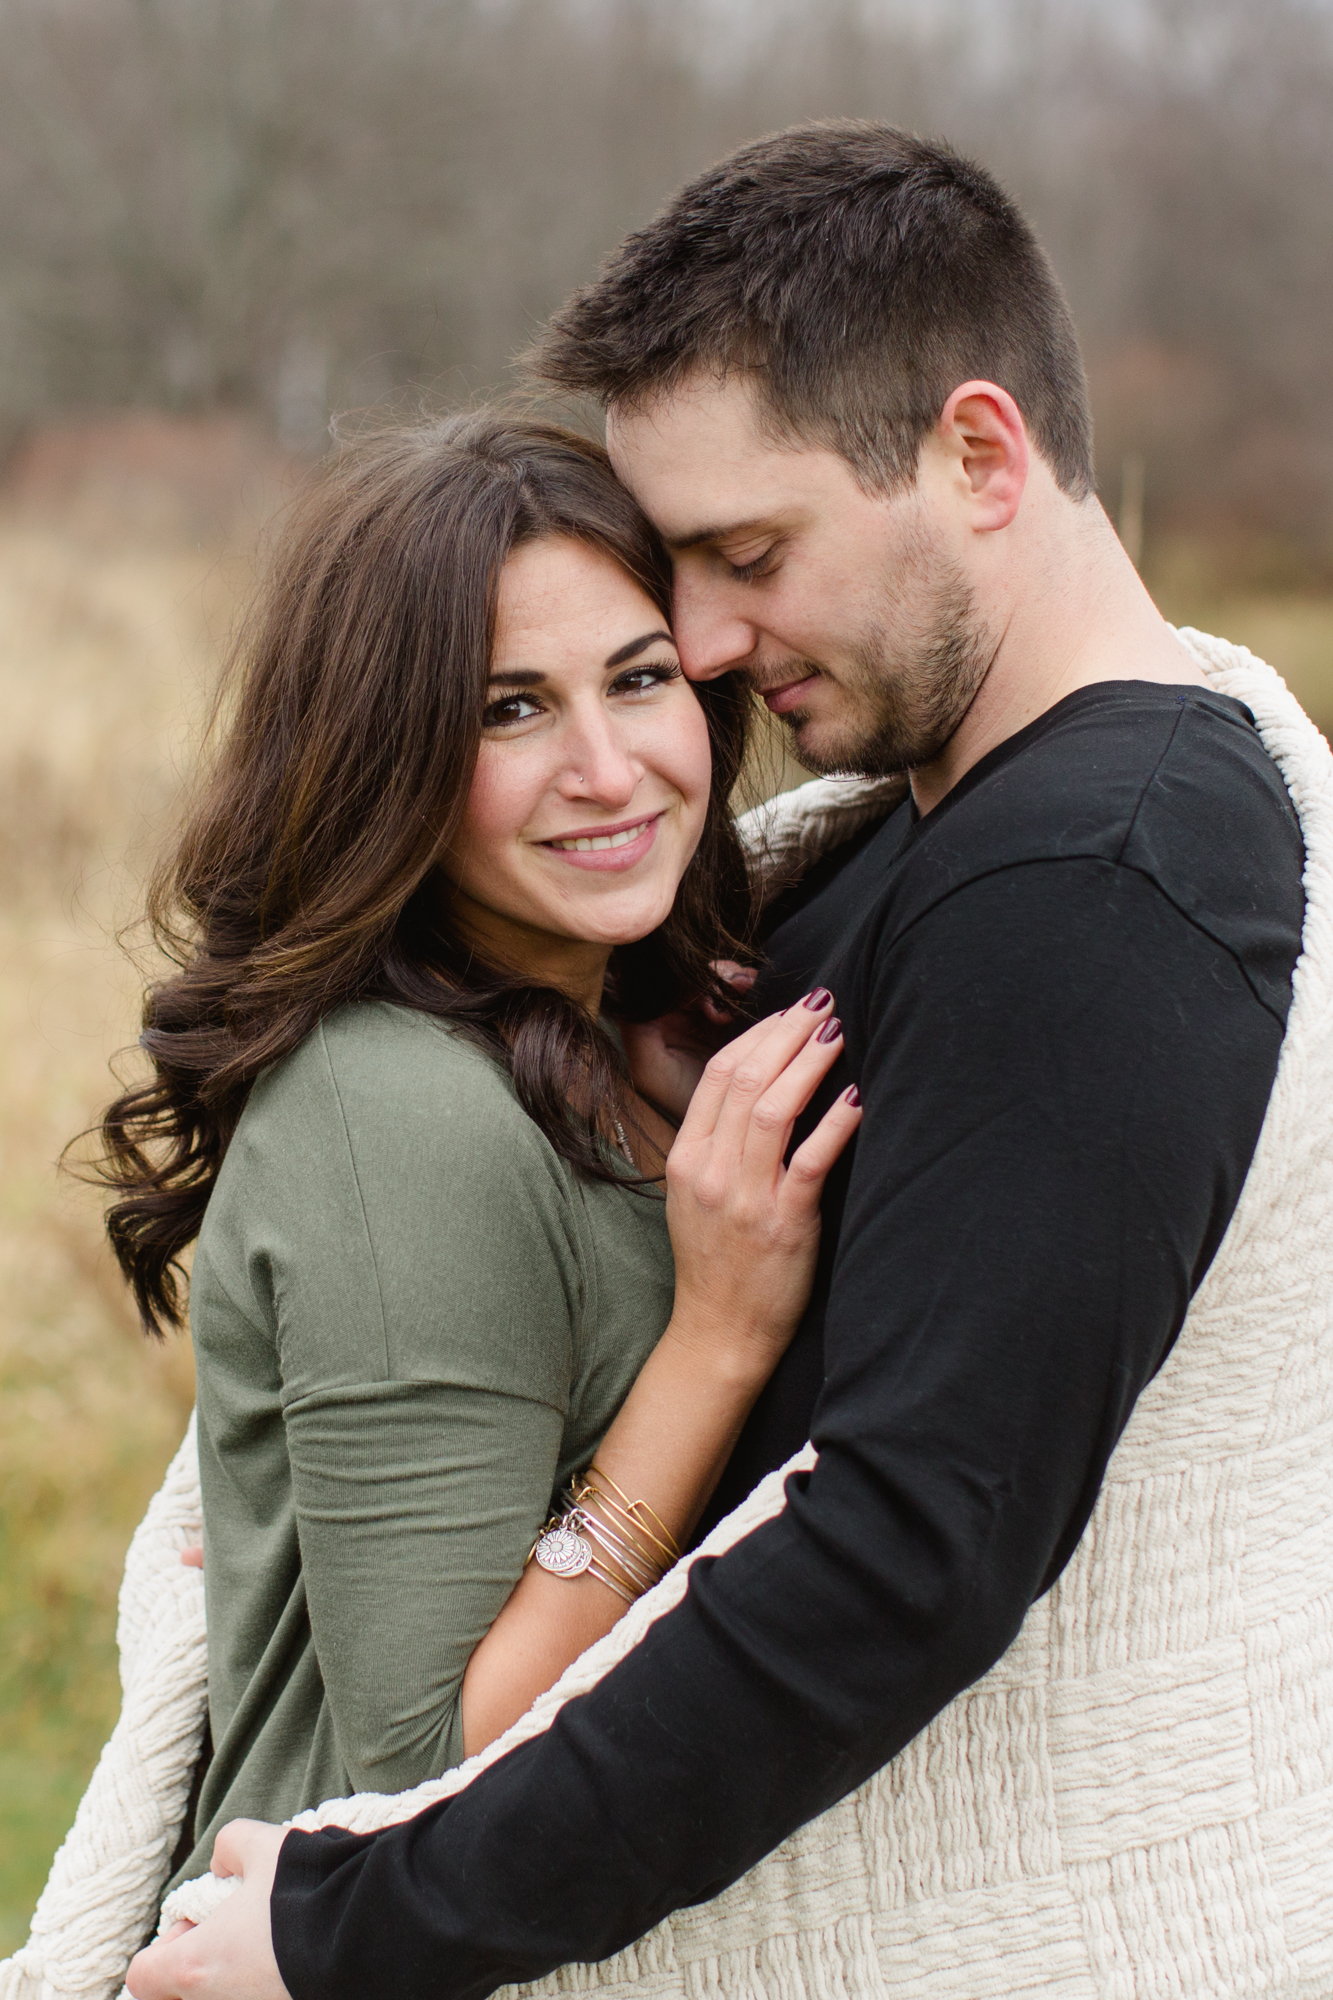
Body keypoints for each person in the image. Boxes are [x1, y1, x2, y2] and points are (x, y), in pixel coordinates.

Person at [126, 124, 1319, 2000]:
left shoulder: (1090, 868)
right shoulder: (904, 851)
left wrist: (358, 1924)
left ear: (981, 455)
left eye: (742, 556)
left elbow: (906, 1541)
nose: (694, 646)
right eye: (519, 699)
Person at [96, 414, 861, 1896]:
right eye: (508, 710)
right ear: (390, 758)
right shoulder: (397, 1113)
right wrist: (714, 1341)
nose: (608, 767)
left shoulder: (591, 1044)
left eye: (639, 681)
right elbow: (419, 1764)